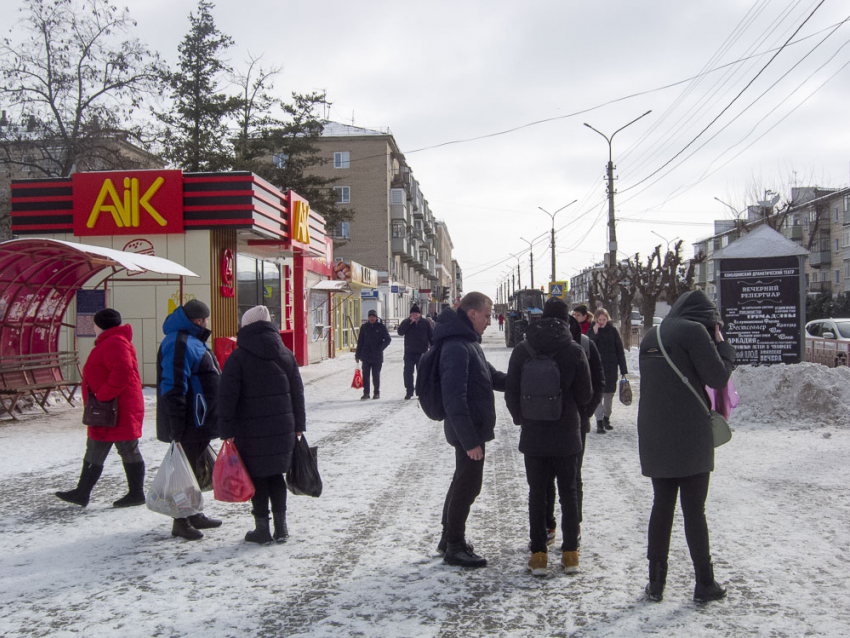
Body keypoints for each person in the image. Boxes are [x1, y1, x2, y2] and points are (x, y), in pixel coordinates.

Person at [637, 290, 735, 603]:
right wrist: (722, 343)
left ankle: (656, 584)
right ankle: (704, 583)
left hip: (654, 434)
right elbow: (718, 376)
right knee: (694, 510)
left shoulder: (652, 333)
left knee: (661, 505)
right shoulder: (694, 331)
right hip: (690, 435)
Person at [505, 297, 592, 575]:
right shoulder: (575, 350)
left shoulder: (523, 349)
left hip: (534, 434)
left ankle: (539, 555)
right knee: (568, 492)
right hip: (567, 432)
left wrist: (523, 419)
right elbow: (586, 395)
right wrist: (578, 417)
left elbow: (510, 391)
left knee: (537, 493)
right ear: (567, 319)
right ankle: (570, 555)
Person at [218, 306, 306, 544]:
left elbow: (227, 397)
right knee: (276, 474)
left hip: (250, 430)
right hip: (283, 429)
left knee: (256, 477)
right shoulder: (285, 353)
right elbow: (297, 392)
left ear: (246, 326)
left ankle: (262, 529)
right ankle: (281, 528)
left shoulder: (238, 357)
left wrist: (226, 429)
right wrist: (299, 424)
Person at [434, 292, 506, 568]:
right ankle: (455, 545)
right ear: (472, 313)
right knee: (468, 486)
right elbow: (454, 399)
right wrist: (470, 441)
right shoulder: (457, 346)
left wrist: (522, 380)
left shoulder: (467, 342)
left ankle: (447, 538)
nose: (490, 321)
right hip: (468, 432)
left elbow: (491, 377)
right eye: (487, 315)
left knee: (461, 483)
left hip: (471, 430)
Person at [55, 309, 145, 508]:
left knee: (126, 449)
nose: (94, 327)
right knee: (98, 447)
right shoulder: (113, 341)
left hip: (115, 409)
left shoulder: (115, 343)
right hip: (110, 409)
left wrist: (102, 395)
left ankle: (135, 493)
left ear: (100, 325)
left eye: (95, 324)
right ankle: (83, 492)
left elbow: (122, 371)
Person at [156, 299, 222, 541]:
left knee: (193, 470)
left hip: (199, 420)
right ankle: (181, 520)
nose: (207, 322)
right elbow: (173, 385)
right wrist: (177, 425)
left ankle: (193, 513)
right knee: (185, 472)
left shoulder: (191, 340)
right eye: (205, 319)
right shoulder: (179, 342)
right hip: (189, 421)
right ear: (198, 320)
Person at [588, 308, 627, 433]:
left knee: (609, 395)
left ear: (607, 319)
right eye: (599, 320)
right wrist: (594, 333)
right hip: (597, 368)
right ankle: (599, 421)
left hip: (611, 367)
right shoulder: (591, 331)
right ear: (595, 320)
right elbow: (589, 348)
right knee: (598, 395)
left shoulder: (613, 331)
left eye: (604, 319)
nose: (602, 322)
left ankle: (606, 417)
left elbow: (619, 350)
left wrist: (623, 368)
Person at [397, 304, 433, 400]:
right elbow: (400, 332)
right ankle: (409, 391)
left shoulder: (425, 323)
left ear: (419, 314)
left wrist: (434, 347)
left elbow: (431, 336)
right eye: (412, 313)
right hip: (409, 352)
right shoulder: (406, 322)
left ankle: (420, 391)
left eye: (416, 313)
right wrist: (409, 322)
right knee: (408, 372)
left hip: (422, 352)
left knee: (421, 373)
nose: (414, 315)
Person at [355, 309, 392, 400]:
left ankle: (376, 393)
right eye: (370, 317)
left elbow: (388, 339)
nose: (372, 318)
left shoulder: (381, 327)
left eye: (373, 317)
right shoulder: (364, 327)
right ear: (368, 318)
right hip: (366, 355)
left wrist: (381, 348)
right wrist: (357, 355)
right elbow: (360, 342)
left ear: (376, 317)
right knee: (366, 375)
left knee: (376, 375)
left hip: (377, 356)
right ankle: (366, 393)